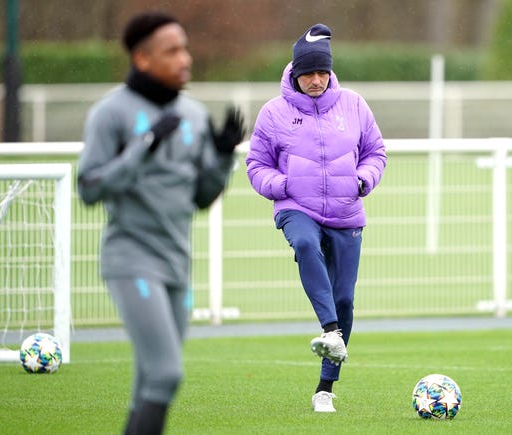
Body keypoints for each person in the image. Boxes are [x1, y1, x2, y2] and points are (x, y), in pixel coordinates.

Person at [77, 12, 245, 434]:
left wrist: (225, 155)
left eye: (185, 48)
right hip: (132, 259)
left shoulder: (192, 113)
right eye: (172, 51)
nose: (185, 58)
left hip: (177, 263)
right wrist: (144, 147)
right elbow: (89, 188)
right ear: (143, 59)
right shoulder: (110, 113)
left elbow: (202, 198)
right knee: (166, 373)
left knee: (151, 383)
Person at [246, 23, 386, 413]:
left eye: (322, 72)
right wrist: (282, 185)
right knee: (305, 243)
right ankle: (329, 330)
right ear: (294, 73)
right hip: (297, 208)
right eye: (307, 73)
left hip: (346, 212)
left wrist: (363, 179)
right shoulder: (273, 113)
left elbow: (376, 152)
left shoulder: (354, 104)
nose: (316, 80)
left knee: (345, 299)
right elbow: (256, 164)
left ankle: (325, 388)